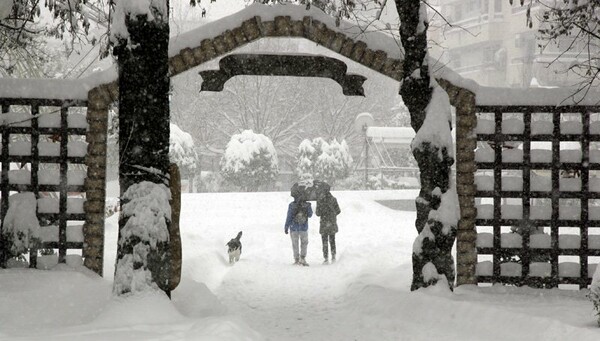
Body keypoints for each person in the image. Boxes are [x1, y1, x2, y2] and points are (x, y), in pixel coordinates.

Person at [284, 195, 313, 266]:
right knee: (304, 243)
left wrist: (286, 226)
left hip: (294, 227)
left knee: (295, 244)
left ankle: (296, 259)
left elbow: (289, 216)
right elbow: (310, 215)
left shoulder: (291, 205)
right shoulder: (307, 205)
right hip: (304, 227)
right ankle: (302, 258)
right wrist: (308, 207)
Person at [316, 190, 340, 264]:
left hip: (324, 223)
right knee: (332, 240)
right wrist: (332, 214)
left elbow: (318, 213)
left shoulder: (320, 200)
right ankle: (333, 256)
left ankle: (326, 258)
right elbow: (338, 211)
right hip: (332, 223)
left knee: (324, 241)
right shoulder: (333, 199)